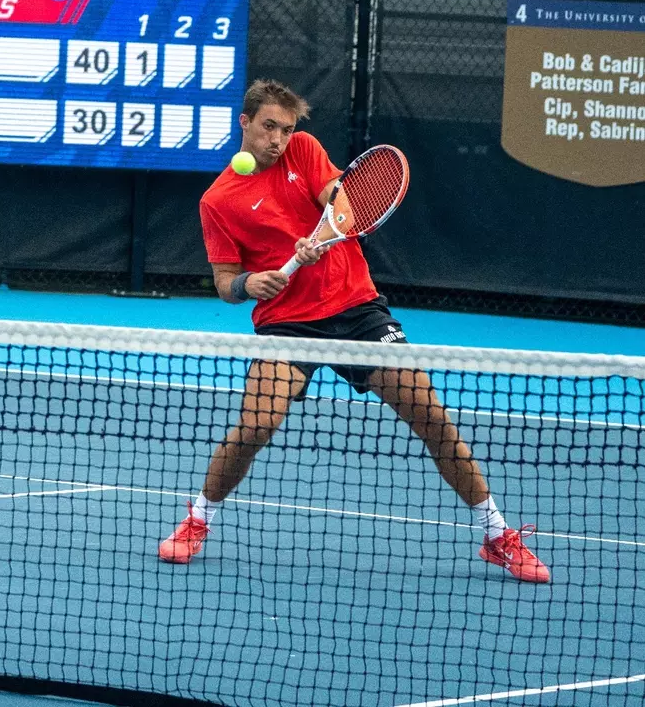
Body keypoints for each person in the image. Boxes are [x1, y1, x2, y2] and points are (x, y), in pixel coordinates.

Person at [156, 79, 547, 583]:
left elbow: (344, 202)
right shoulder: (218, 200)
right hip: (287, 324)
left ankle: (497, 535)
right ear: (245, 123)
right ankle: (197, 521)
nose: (277, 139)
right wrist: (252, 283)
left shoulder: (304, 150)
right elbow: (225, 283)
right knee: (255, 426)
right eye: (268, 126)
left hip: (358, 310)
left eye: (285, 129)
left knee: (432, 418)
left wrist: (322, 233)